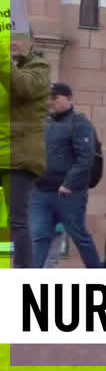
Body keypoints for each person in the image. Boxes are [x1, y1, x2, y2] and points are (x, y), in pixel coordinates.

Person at [29, 83, 102, 268]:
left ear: (69, 99)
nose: (51, 101)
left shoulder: (79, 122)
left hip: (69, 193)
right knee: (40, 237)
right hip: (41, 192)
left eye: (56, 97)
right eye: (49, 98)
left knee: (80, 237)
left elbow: (85, 158)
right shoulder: (45, 123)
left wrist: (69, 183)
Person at [0, 34, 50, 268]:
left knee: (16, 220)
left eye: (17, 38)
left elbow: (20, 87)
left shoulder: (39, 69)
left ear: (31, 42)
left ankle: (23, 271)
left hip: (19, 157)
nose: (12, 42)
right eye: (7, 38)